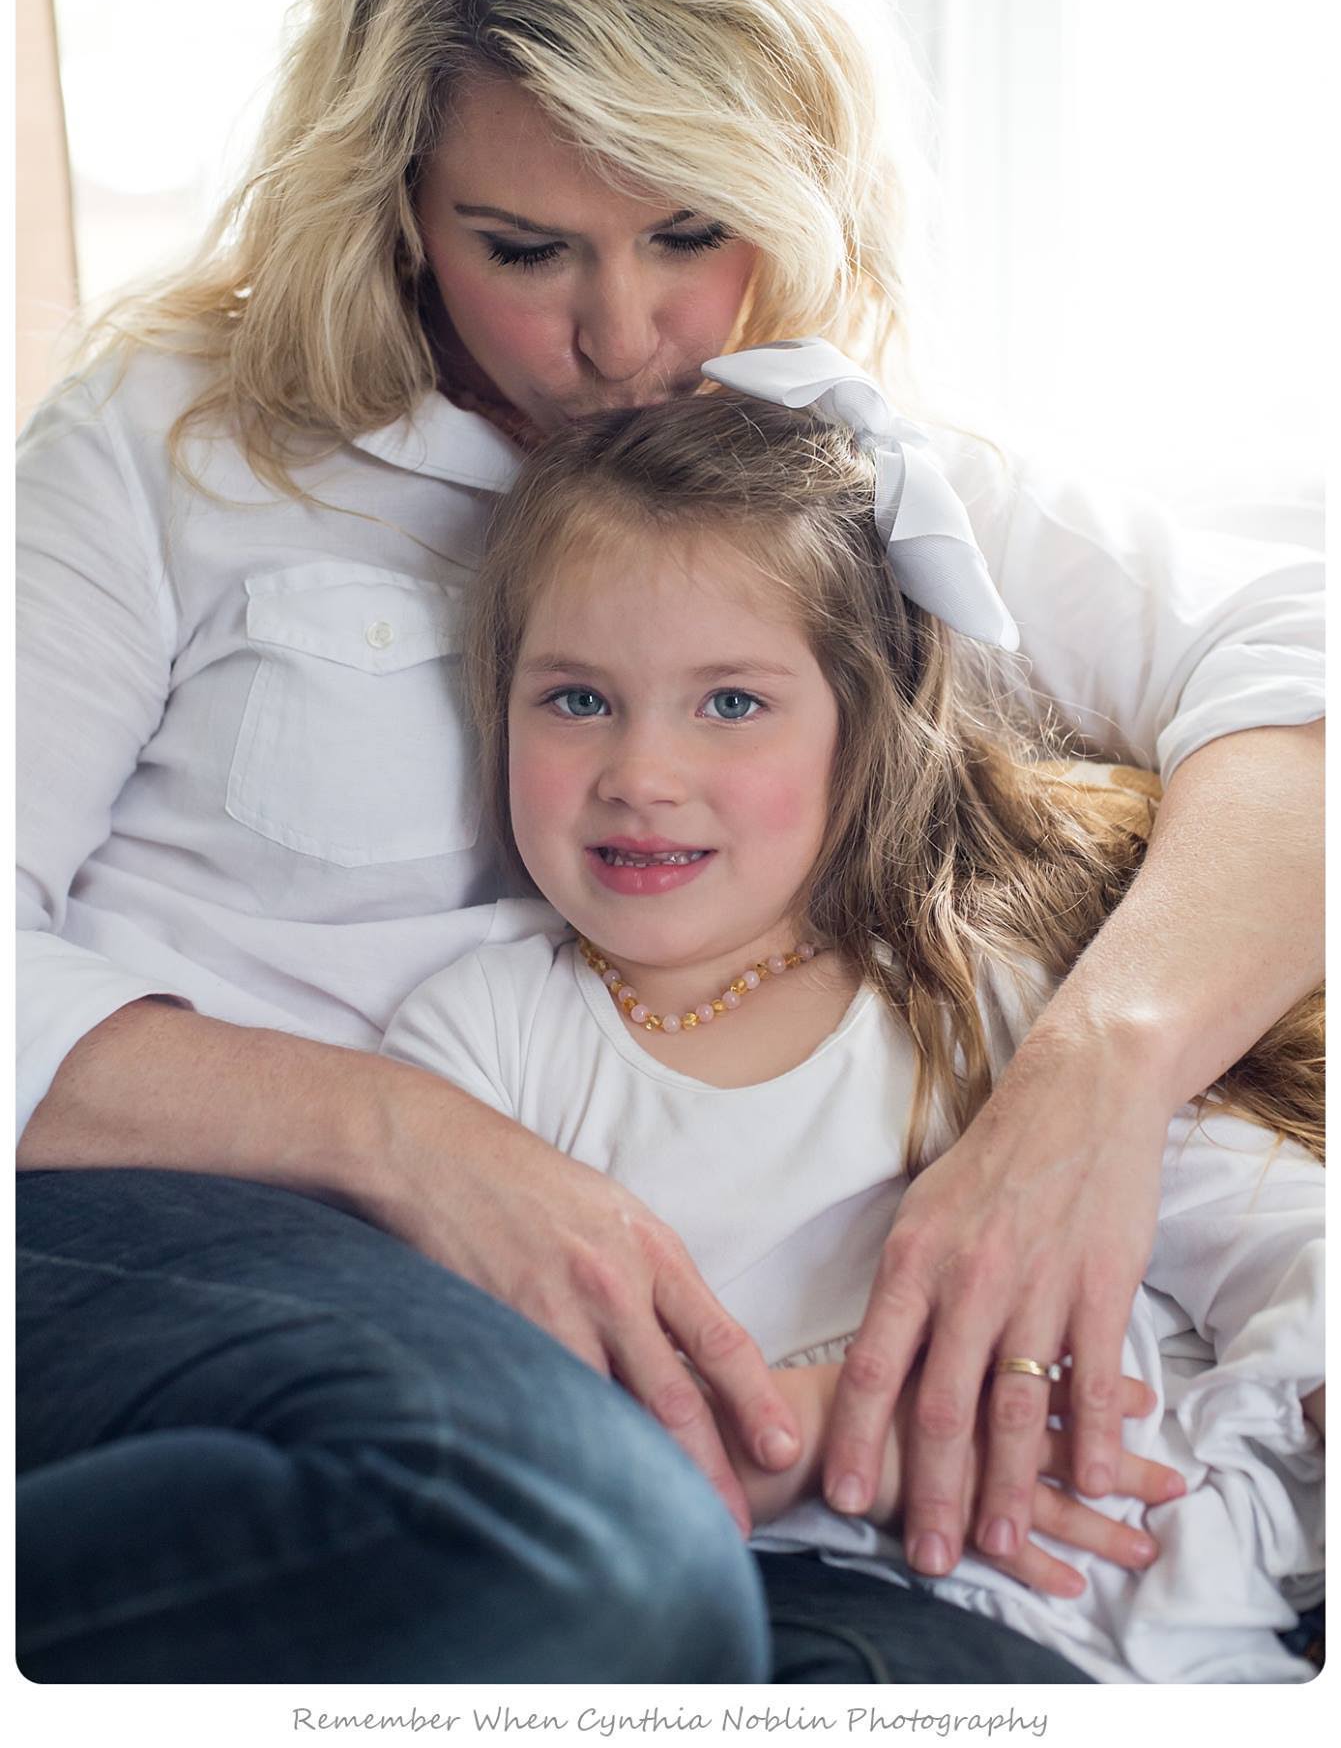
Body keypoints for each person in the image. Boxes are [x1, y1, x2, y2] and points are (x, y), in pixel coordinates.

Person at [17, 0, 1322, 1680]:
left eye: (690, 229)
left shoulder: (845, 469)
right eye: (524, 249)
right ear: (391, 205)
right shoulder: (168, 442)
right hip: (150, 1231)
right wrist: (400, 1139)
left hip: (575, 1350)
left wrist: (1088, 1087)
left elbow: (1296, 669)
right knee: (578, 1553)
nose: (625, 337)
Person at [381, 369, 1325, 1683]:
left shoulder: (978, 988)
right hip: (854, 1614)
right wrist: (839, 1428)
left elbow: (1268, 1230)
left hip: (1206, 1603)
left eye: (730, 703)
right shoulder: (481, 1046)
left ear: (859, 728)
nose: (640, 776)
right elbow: (513, 1453)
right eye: (576, 699)